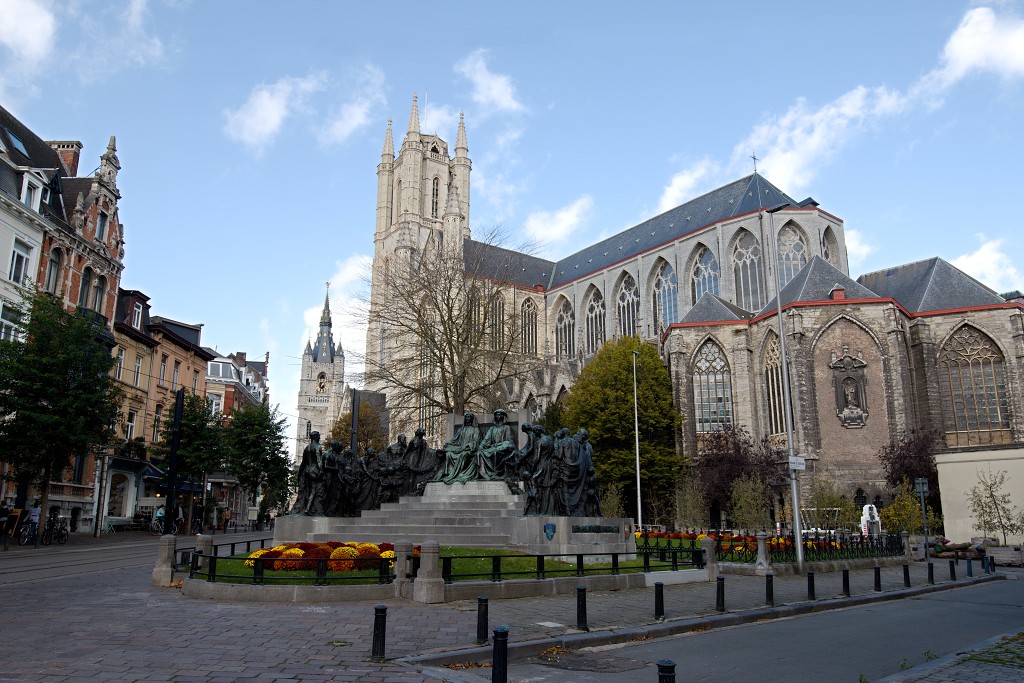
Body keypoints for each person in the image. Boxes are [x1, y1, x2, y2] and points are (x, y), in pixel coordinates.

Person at [432, 412, 482, 485]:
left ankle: (459, 474)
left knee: (463, 455)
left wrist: (468, 445)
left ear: (472, 419)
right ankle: (447, 474)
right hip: (459, 449)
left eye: (469, 417)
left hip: (469, 451)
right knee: (448, 454)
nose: (467, 419)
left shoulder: (476, 430)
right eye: (466, 417)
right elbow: (454, 440)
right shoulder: (461, 430)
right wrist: (447, 445)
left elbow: (476, 441)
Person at [477, 408, 516, 483]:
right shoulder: (492, 428)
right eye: (496, 415)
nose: (498, 416)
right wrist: (481, 446)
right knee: (480, 453)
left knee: (495, 452)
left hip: (502, 448)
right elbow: (486, 440)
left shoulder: (507, 427)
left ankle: (497, 473)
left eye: (499, 415)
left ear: (503, 416)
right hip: (493, 447)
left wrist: (497, 445)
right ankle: (484, 473)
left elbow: (510, 441)